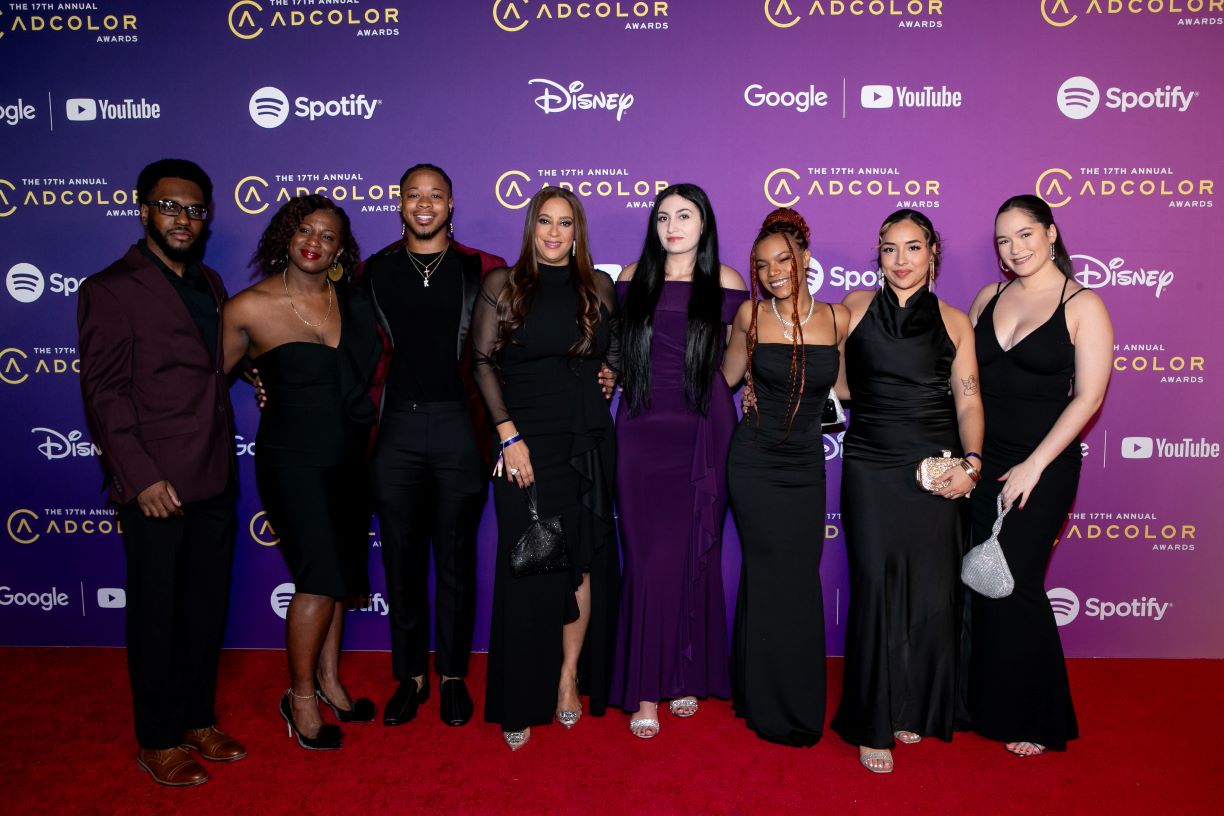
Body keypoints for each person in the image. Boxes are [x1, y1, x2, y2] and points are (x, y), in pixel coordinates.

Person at [78, 158, 246, 786]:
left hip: (214, 473)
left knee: (205, 609)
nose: (185, 219)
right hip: (156, 484)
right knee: (156, 613)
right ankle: (156, 737)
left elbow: (212, 368)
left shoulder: (212, 281)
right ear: (143, 208)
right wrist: (140, 477)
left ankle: (198, 718)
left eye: (196, 209)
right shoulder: (110, 288)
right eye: (171, 207)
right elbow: (104, 394)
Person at [222, 195, 380, 750]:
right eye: (304, 230)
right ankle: (300, 698)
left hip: (348, 458)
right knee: (317, 576)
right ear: (285, 236)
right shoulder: (248, 307)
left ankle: (332, 681)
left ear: (341, 249)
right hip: (292, 462)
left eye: (328, 236)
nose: (314, 242)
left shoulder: (351, 299)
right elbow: (207, 377)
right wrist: (256, 376)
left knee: (338, 578)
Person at [830, 209, 985, 774]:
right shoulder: (853, 308)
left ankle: (912, 705)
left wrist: (971, 463)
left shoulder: (955, 320)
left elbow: (967, 399)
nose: (901, 260)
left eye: (913, 248)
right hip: (871, 463)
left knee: (929, 589)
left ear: (932, 254)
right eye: (890, 249)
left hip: (936, 465)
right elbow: (840, 383)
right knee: (875, 586)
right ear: (879, 253)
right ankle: (873, 721)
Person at [471, 187, 620, 750]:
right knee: (529, 565)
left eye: (565, 223)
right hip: (523, 443)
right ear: (531, 227)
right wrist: (508, 435)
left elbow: (617, 349)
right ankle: (521, 692)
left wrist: (610, 372)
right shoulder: (502, 286)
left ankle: (565, 681)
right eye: (545, 222)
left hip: (586, 443)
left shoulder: (597, 287)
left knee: (580, 564)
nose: (555, 233)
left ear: (577, 230)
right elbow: (483, 361)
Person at [965, 195, 1112, 757]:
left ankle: (1038, 716)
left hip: (1043, 464)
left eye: (1025, 234)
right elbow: (966, 382)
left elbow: (1089, 397)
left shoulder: (1083, 305)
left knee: (1017, 583)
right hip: (984, 459)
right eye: (1004, 240)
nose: (1015, 248)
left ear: (1051, 233)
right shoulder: (987, 297)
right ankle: (984, 703)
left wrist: (1034, 464)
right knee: (980, 581)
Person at [360, 164, 506, 728]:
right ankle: (410, 677)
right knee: (400, 557)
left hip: (458, 426)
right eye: (413, 195)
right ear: (399, 203)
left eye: (435, 196)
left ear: (451, 203)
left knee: (454, 557)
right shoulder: (374, 271)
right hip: (395, 427)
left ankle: (450, 676)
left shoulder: (481, 269)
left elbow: (518, 340)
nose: (424, 204)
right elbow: (336, 339)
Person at [610, 184, 748, 739]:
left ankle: (687, 672)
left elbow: (737, 357)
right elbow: (615, 352)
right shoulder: (629, 278)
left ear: (703, 223)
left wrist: (713, 391)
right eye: (664, 216)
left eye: (684, 215)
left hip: (703, 431)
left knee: (697, 555)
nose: (673, 225)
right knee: (646, 562)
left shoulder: (729, 283)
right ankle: (646, 689)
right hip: (641, 431)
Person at [722, 208, 847, 747]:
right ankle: (768, 703)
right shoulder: (751, 316)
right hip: (752, 461)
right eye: (762, 263)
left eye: (784, 260)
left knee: (795, 578)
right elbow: (721, 380)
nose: (774, 270)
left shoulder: (838, 318)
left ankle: (769, 692)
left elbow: (847, 392)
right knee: (768, 571)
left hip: (804, 466)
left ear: (804, 260)